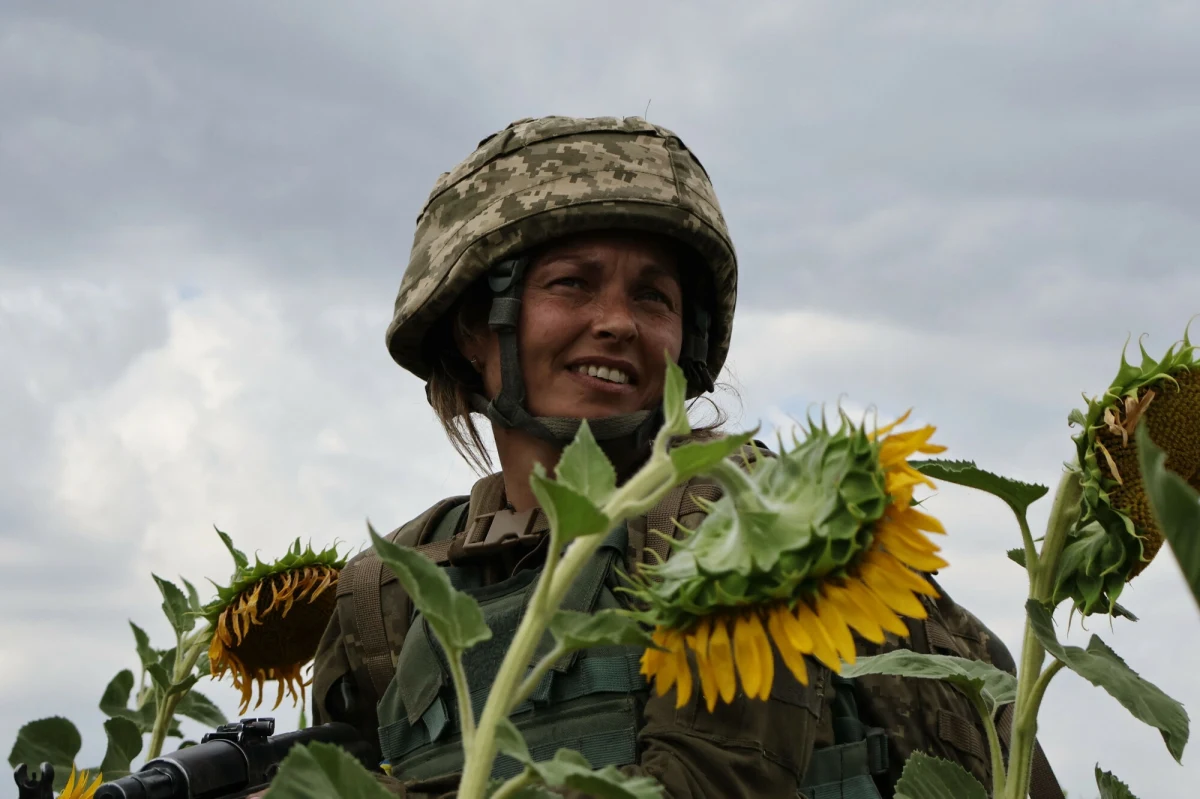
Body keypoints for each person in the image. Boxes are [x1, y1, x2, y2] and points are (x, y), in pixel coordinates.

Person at [310, 115, 1062, 798]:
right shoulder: (386, 595)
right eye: (571, 284)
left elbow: (711, 783)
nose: (617, 323)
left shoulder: (751, 523)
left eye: (653, 298)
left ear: (686, 340)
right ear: (475, 326)